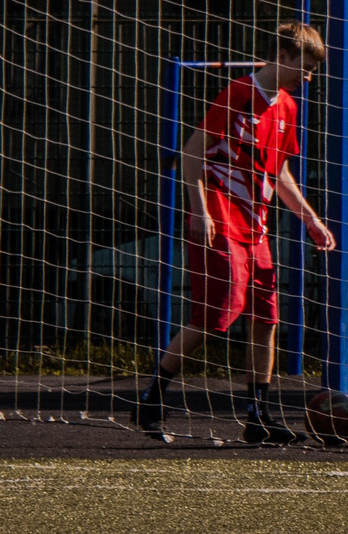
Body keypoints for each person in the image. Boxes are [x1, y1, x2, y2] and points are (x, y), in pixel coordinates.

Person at [135, 23, 337, 443]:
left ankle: (257, 416)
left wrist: (310, 219)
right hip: (221, 222)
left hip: (256, 228)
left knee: (267, 319)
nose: (308, 78)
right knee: (215, 318)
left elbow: (279, 173)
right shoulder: (239, 93)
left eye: (313, 71)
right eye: (305, 67)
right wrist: (200, 211)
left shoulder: (287, 107)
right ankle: (152, 398)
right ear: (281, 56)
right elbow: (192, 152)